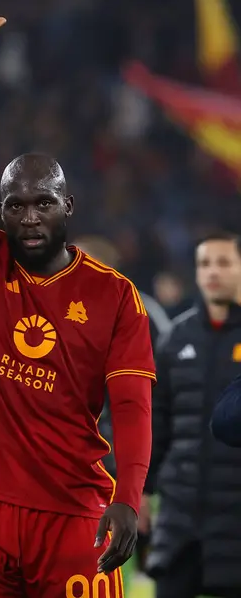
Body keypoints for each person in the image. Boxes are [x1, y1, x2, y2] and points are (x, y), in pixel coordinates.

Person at [0, 18, 156, 598]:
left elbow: (132, 404)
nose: (28, 218)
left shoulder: (114, 294)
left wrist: (127, 498)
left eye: (43, 203)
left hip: (72, 513)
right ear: (0, 208)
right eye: (15, 205)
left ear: (67, 204)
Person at [142, 232, 241, 598]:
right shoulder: (176, 339)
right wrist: (139, 490)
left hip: (235, 522)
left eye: (224, 262)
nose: (213, 272)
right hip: (180, 518)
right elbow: (156, 419)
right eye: (205, 264)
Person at [74, 234, 172, 592]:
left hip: (125, 474)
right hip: (80, 472)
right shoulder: (65, 314)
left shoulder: (141, 315)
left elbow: (155, 408)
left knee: (125, 571)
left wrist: (144, 488)